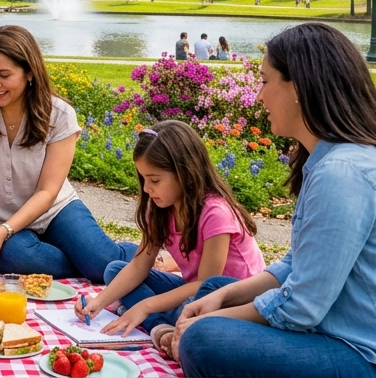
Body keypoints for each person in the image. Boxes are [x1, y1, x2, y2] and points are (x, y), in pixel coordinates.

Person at [170, 23, 376, 378]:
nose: (259, 96)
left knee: (205, 339)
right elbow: (297, 266)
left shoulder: (344, 172)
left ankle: (182, 335)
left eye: (264, 80)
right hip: (350, 339)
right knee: (214, 288)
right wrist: (220, 301)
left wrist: (209, 322)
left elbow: (301, 307)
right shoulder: (332, 159)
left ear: (299, 87)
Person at [0, 25, 137, 282]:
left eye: (4, 75)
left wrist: (6, 231)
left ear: (29, 72)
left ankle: (138, 258)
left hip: (55, 211)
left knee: (101, 264)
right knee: (14, 256)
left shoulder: (60, 114)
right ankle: (90, 264)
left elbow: (47, 191)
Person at [74, 120, 264, 339]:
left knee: (189, 316)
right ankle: (160, 326)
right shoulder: (159, 208)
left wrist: (146, 305)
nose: (146, 188)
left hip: (233, 302)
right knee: (115, 270)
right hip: (193, 291)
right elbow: (139, 265)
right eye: (143, 178)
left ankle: (156, 322)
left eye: (154, 179)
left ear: (184, 173)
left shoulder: (215, 213)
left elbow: (207, 284)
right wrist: (98, 302)